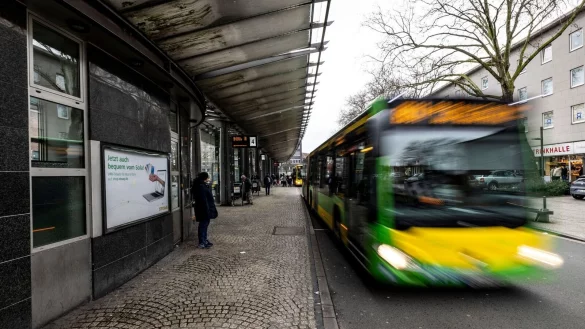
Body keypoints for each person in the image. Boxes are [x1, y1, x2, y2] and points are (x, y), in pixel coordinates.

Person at [192, 172, 217, 249]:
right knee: (203, 225)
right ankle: (202, 242)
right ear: (205, 178)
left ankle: (204, 240)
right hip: (204, 209)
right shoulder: (201, 186)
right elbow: (204, 200)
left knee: (204, 224)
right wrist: (207, 210)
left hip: (203, 208)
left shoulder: (199, 185)